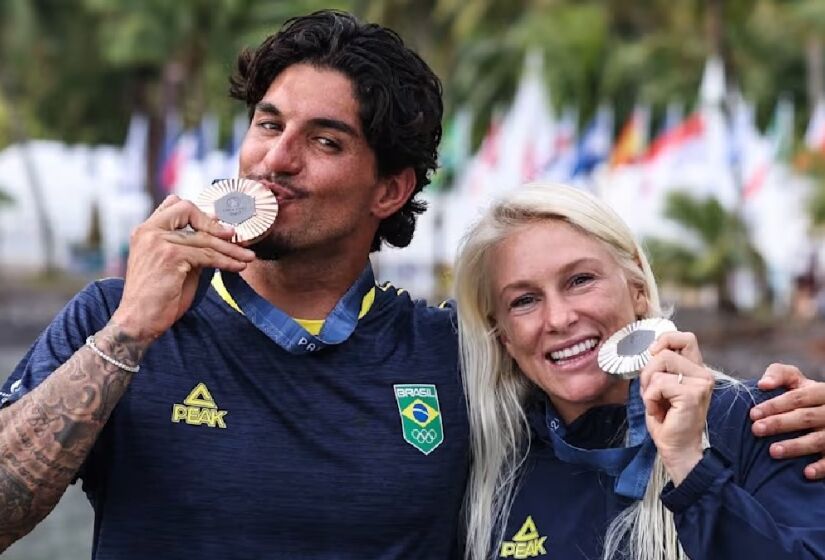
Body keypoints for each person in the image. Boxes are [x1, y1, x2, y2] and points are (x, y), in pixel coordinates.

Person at [0, 9, 824, 559]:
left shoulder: (453, 356)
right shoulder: (116, 318)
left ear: (389, 189)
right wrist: (127, 336)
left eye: (324, 141)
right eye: (267, 124)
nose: (275, 160)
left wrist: (769, 408)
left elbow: (594, 376)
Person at [454, 182, 825, 560]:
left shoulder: (766, 420)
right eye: (524, 300)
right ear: (502, 336)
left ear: (637, 288)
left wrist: (691, 466)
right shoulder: (484, 466)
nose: (559, 318)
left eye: (580, 280)